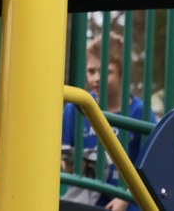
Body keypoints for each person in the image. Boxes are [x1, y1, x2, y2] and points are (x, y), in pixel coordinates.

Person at [61, 33, 157, 211]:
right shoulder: (75, 108)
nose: (96, 78)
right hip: (85, 203)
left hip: (127, 204)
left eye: (106, 71)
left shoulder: (140, 112)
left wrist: (125, 198)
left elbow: (152, 166)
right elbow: (66, 163)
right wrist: (74, 165)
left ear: (122, 73)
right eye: (91, 71)